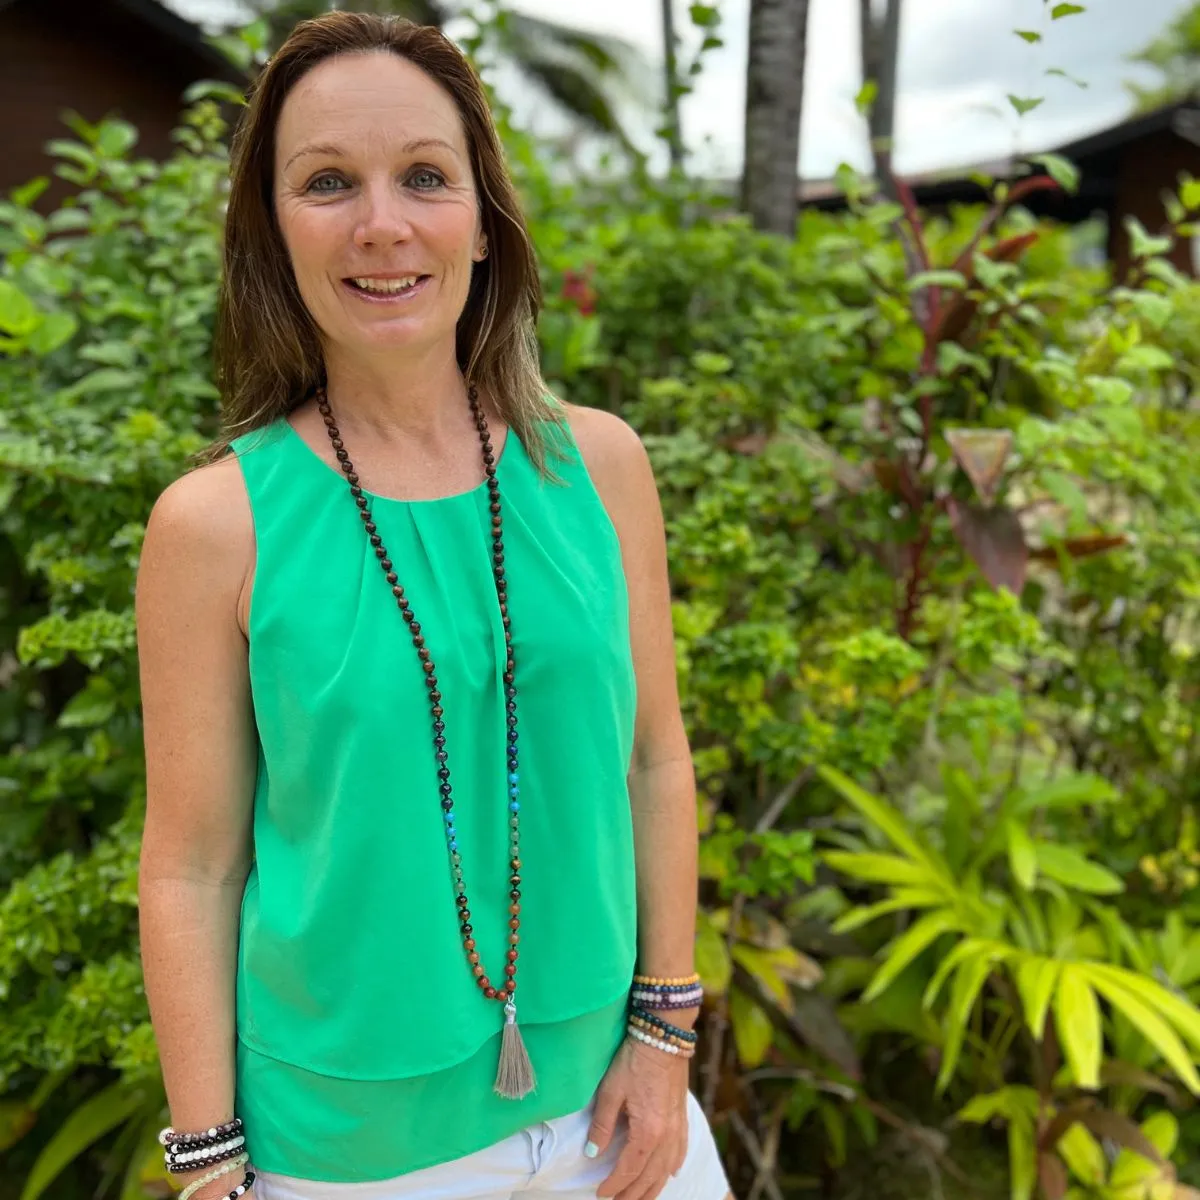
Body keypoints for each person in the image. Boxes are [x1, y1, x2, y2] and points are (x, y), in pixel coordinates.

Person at [135, 13, 730, 1200]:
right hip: (345, 1159)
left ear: (482, 217)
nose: (382, 224)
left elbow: (654, 759)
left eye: (423, 175)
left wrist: (666, 1034)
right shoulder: (214, 528)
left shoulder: (600, 469)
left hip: (617, 1112)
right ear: (272, 230)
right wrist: (208, 1165)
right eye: (326, 183)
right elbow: (191, 869)